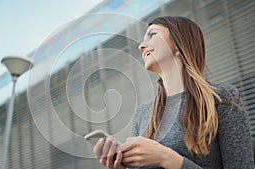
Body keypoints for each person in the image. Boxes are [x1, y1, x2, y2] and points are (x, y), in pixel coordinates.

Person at [93, 16, 254, 169]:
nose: (141, 46)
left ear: (178, 44)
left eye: (152, 34)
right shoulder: (142, 114)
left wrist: (166, 157)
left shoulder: (221, 98)